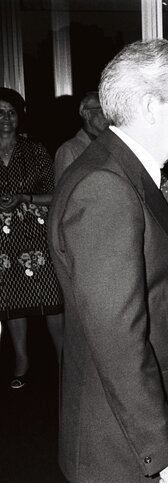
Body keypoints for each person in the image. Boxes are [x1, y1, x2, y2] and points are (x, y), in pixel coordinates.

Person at [47, 39, 168, 483]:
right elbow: (118, 337)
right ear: (148, 107)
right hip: (129, 446)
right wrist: (163, 446)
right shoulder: (105, 188)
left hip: (133, 435)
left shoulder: (127, 175)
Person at [0, 87, 65, 388]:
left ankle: (65, 359)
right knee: (11, 296)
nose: (5, 118)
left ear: (19, 117)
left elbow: (58, 194)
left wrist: (25, 196)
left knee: (51, 296)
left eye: (11, 113)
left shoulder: (36, 151)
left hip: (35, 235)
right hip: (3, 241)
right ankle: (21, 360)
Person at [53, 91, 109, 184]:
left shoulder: (112, 144)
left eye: (109, 112)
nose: (108, 117)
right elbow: (63, 193)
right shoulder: (69, 150)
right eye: (102, 111)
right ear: (86, 114)